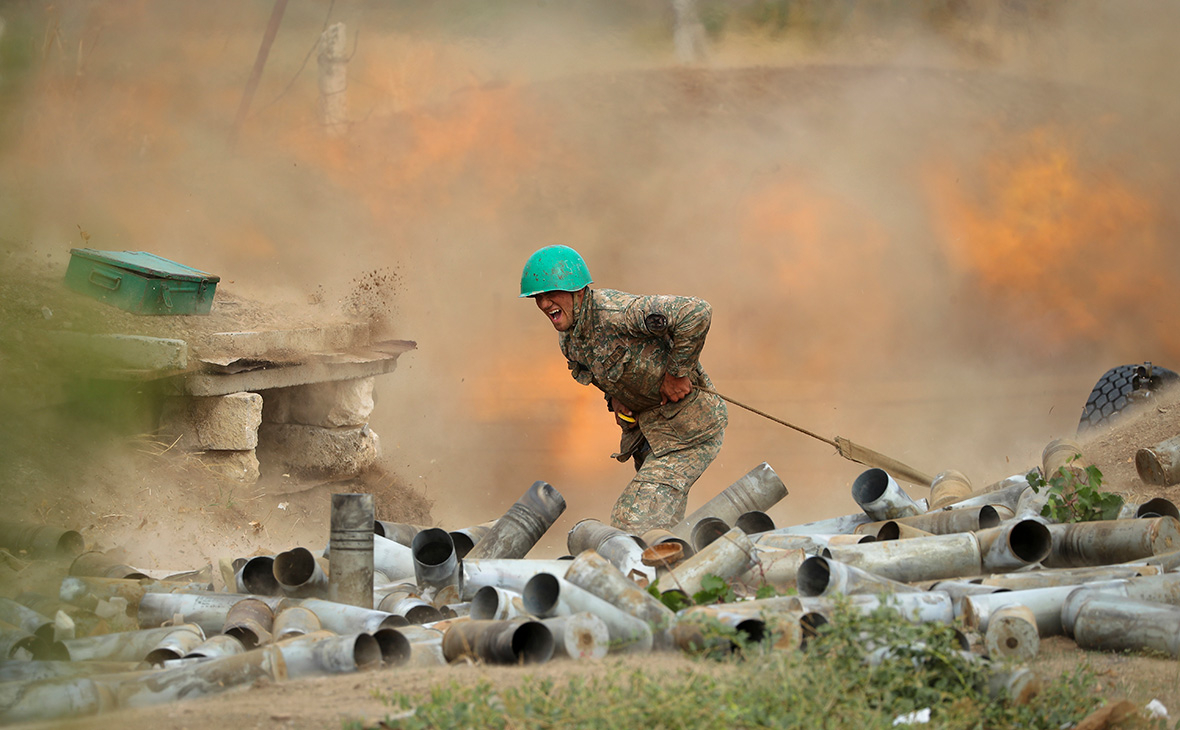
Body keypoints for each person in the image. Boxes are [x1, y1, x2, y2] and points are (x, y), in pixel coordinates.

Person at [520, 244, 727, 534]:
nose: (544, 304)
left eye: (551, 293)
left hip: (689, 431)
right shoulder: (570, 340)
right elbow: (602, 372)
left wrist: (677, 374)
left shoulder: (620, 313)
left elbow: (696, 312)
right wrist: (616, 399)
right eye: (537, 297)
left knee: (633, 521)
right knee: (658, 529)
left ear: (578, 290)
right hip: (651, 437)